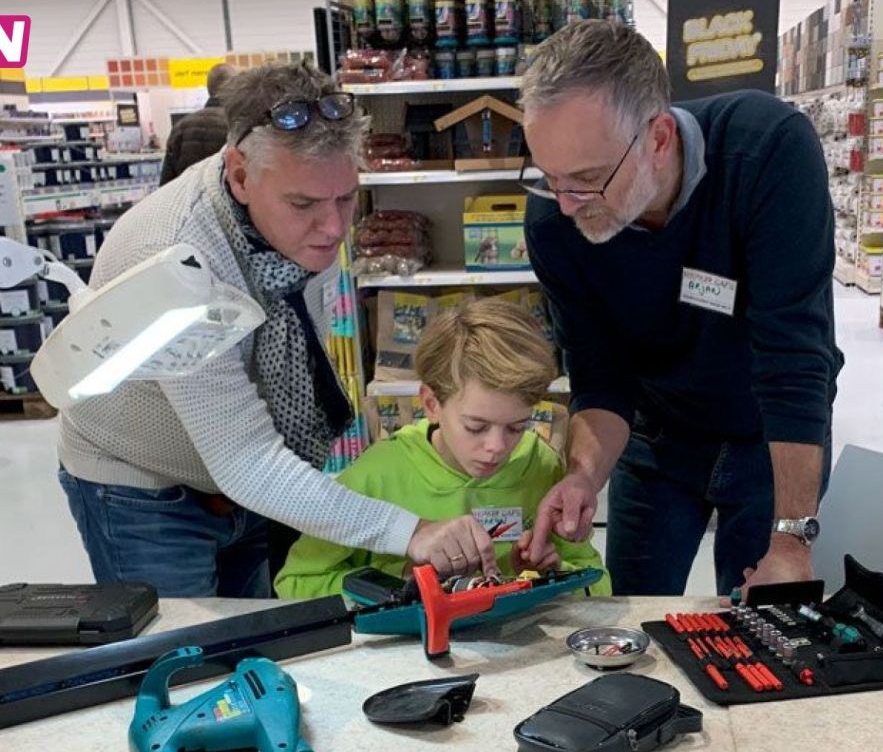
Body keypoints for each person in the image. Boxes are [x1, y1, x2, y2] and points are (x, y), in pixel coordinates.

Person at [57, 61, 501, 598]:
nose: (335, 228)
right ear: (241, 175)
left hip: (246, 488)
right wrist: (409, 531)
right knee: (182, 658)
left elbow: (268, 427)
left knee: (254, 644)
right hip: (142, 488)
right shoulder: (171, 260)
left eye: (345, 198)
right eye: (304, 203)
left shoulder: (299, 230)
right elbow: (246, 460)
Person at [517, 21, 844, 597]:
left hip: (769, 438)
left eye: (588, 180)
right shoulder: (554, 220)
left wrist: (792, 541)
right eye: (550, 179)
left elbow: (794, 361)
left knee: (759, 627)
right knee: (630, 622)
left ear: (659, 139)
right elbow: (600, 373)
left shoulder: (767, 151)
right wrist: (583, 476)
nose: (566, 205)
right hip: (656, 438)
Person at [276, 299, 611, 599]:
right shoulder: (376, 474)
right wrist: (406, 581)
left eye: (516, 427)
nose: (497, 448)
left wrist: (553, 577)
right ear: (431, 403)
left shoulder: (542, 466)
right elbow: (295, 584)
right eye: (476, 427)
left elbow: (598, 583)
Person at [159, 63, 238, 185]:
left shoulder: (180, 128)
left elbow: (166, 182)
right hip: (225, 201)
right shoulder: (238, 125)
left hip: (186, 200)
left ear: (209, 88)